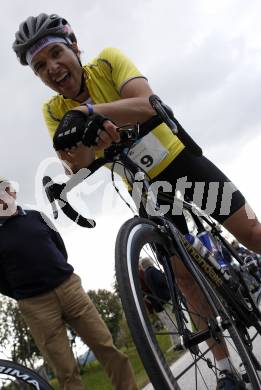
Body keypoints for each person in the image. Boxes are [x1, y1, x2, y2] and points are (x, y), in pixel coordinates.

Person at [12, 12, 261, 389]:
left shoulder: (109, 61)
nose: (53, 69)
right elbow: (75, 162)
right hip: (144, 187)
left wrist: (89, 112)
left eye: (56, 54)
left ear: (75, 46)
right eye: (40, 67)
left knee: (251, 232)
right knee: (183, 276)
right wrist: (83, 143)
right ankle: (226, 370)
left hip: (179, 161)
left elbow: (146, 103)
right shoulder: (52, 111)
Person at [0, 178, 138, 390]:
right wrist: (24, 292)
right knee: (65, 371)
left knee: (106, 347)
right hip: (36, 306)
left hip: (69, 288)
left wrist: (57, 274)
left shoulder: (37, 217)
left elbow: (59, 248)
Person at [139, 257, 182, 349]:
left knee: (170, 322)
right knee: (174, 320)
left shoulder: (146, 274)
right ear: (150, 262)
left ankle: (176, 342)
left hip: (159, 302)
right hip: (166, 298)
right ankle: (179, 341)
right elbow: (161, 281)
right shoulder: (152, 271)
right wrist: (166, 279)